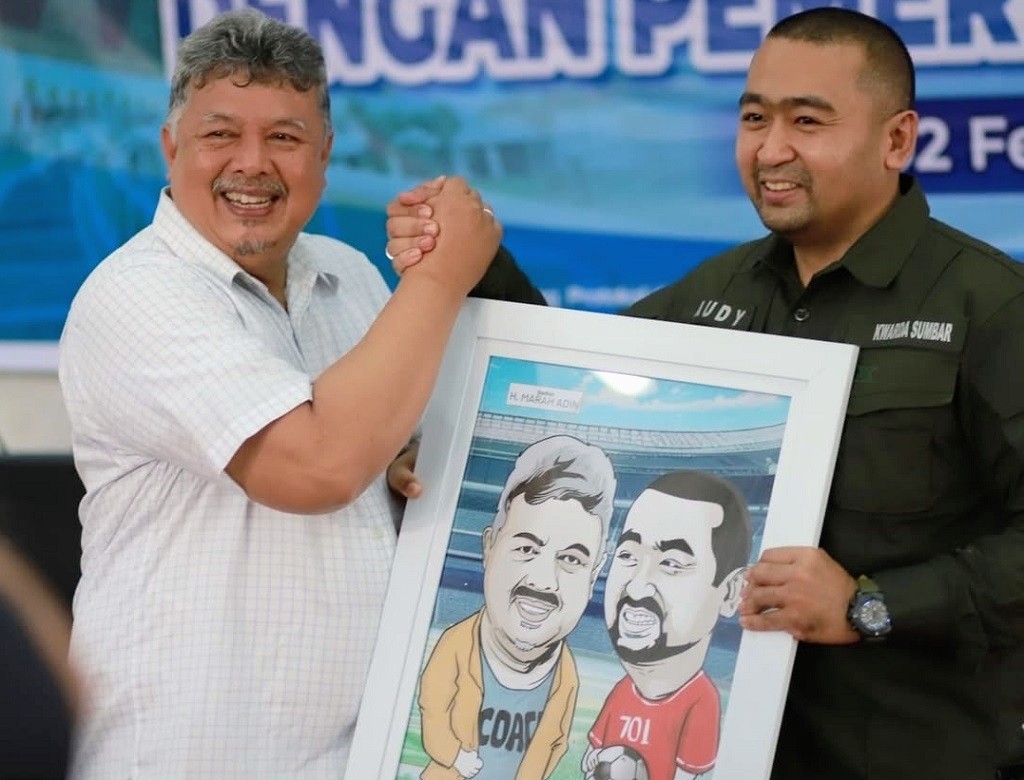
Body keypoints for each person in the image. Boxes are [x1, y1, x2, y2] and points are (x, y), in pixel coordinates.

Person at [385, 8, 1024, 779]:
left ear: (897, 139)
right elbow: (580, 394)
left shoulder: (989, 306)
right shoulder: (714, 293)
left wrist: (872, 604)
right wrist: (473, 285)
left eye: (807, 121)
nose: (772, 149)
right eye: (754, 118)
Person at [57, 8, 500, 780]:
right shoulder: (136, 294)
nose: (252, 164)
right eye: (221, 134)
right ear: (171, 148)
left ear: (324, 155)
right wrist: (440, 277)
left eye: (285, 138)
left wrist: (403, 464)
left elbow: (372, 445)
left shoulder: (351, 277)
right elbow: (317, 468)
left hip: (355, 758)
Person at [418, 435, 616, 780]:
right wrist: (454, 756)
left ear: (593, 576)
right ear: (489, 547)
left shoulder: (565, 674)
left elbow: (555, 742)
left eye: (571, 559)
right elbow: (432, 708)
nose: (544, 581)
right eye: (527, 549)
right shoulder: (456, 645)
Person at [585, 470, 750, 780]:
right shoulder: (623, 690)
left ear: (730, 593)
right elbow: (593, 756)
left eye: (671, 564)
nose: (637, 587)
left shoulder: (701, 700)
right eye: (628, 555)